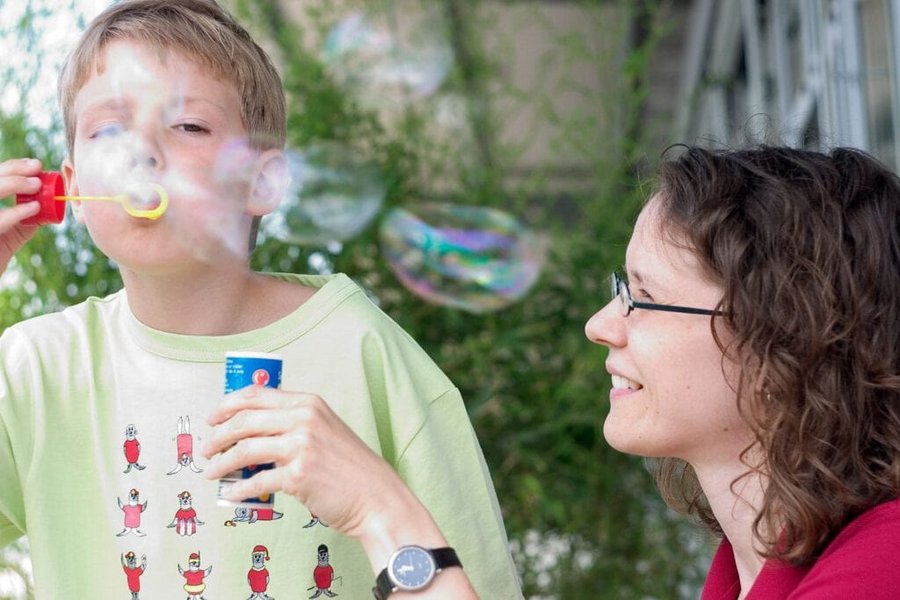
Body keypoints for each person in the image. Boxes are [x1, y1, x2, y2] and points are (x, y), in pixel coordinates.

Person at [0, 1, 521, 598]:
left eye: (189, 125)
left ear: (261, 182)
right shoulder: (33, 369)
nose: (138, 152)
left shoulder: (361, 348)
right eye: (107, 129)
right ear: (69, 184)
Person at [585, 144, 900, 599]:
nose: (599, 325)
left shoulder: (883, 565)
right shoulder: (741, 575)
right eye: (623, 289)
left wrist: (439, 565)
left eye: (645, 298)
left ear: (785, 338)